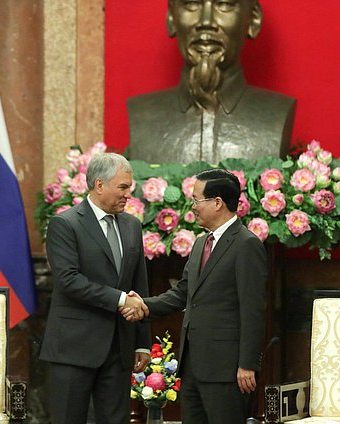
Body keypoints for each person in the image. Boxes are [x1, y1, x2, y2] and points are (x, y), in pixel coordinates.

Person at [123, 169, 267, 423]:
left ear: (217, 203)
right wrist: (142, 304)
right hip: (193, 366)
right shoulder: (201, 243)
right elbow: (182, 294)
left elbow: (253, 309)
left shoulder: (246, 244)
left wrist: (247, 364)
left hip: (227, 369)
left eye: (197, 199)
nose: (193, 207)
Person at [39, 153, 151, 424]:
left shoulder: (132, 226)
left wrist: (143, 344)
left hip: (119, 348)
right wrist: (120, 300)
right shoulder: (65, 224)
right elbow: (69, 280)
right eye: (123, 187)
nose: (128, 195)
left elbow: (139, 286)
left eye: (130, 188)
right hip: (73, 348)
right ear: (99, 185)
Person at [127, 0, 296, 164]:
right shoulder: (142, 113)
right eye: (191, 3)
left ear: (254, 18)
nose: (206, 22)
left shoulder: (277, 113)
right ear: (172, 17)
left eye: (224, 4)